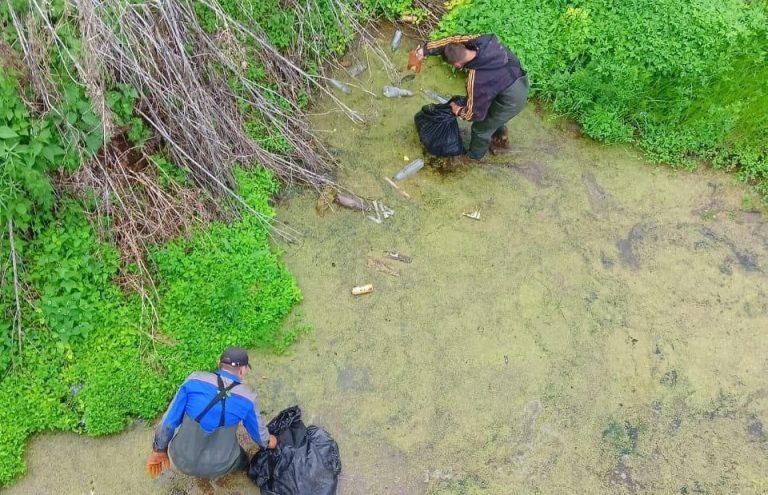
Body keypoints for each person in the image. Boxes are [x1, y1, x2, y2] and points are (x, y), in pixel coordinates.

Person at [146, 347, 277, 485]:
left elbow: (168, 423)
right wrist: (272, 441)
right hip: (221, 465)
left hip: (181, 460)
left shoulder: (193, 381)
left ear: (219, 363)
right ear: (243, 370)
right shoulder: (248, 398)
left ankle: (201, 478)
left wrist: (159, 450)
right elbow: (261, 438)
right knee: (242, 460)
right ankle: (243, 469)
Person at [409, 34, 529, 161]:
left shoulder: (477, 79)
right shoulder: (483, 41)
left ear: (458, 65)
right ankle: (500, 136)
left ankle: (474, 157)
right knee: (492, 115)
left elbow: (475, 114)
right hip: (516, 77)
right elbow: (451, 41)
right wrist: (424, 51)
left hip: (512, 98)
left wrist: (458, 110)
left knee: (480, 129)